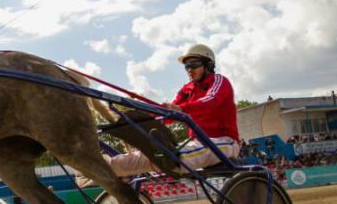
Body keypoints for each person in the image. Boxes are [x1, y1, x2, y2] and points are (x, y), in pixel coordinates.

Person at [82, 44, 239, 180]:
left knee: (173, 156)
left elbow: (210, 102)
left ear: (208, 65)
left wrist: (180, 109)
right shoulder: (186, 90)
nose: (189, 69)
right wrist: (144, 116)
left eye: (194, 64)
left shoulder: (219, 81)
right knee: (153, 154)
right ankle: (102, 166)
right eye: (187, 66)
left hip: (225, 142)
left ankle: (171, 159)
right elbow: (167, 116)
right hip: (196, 144)